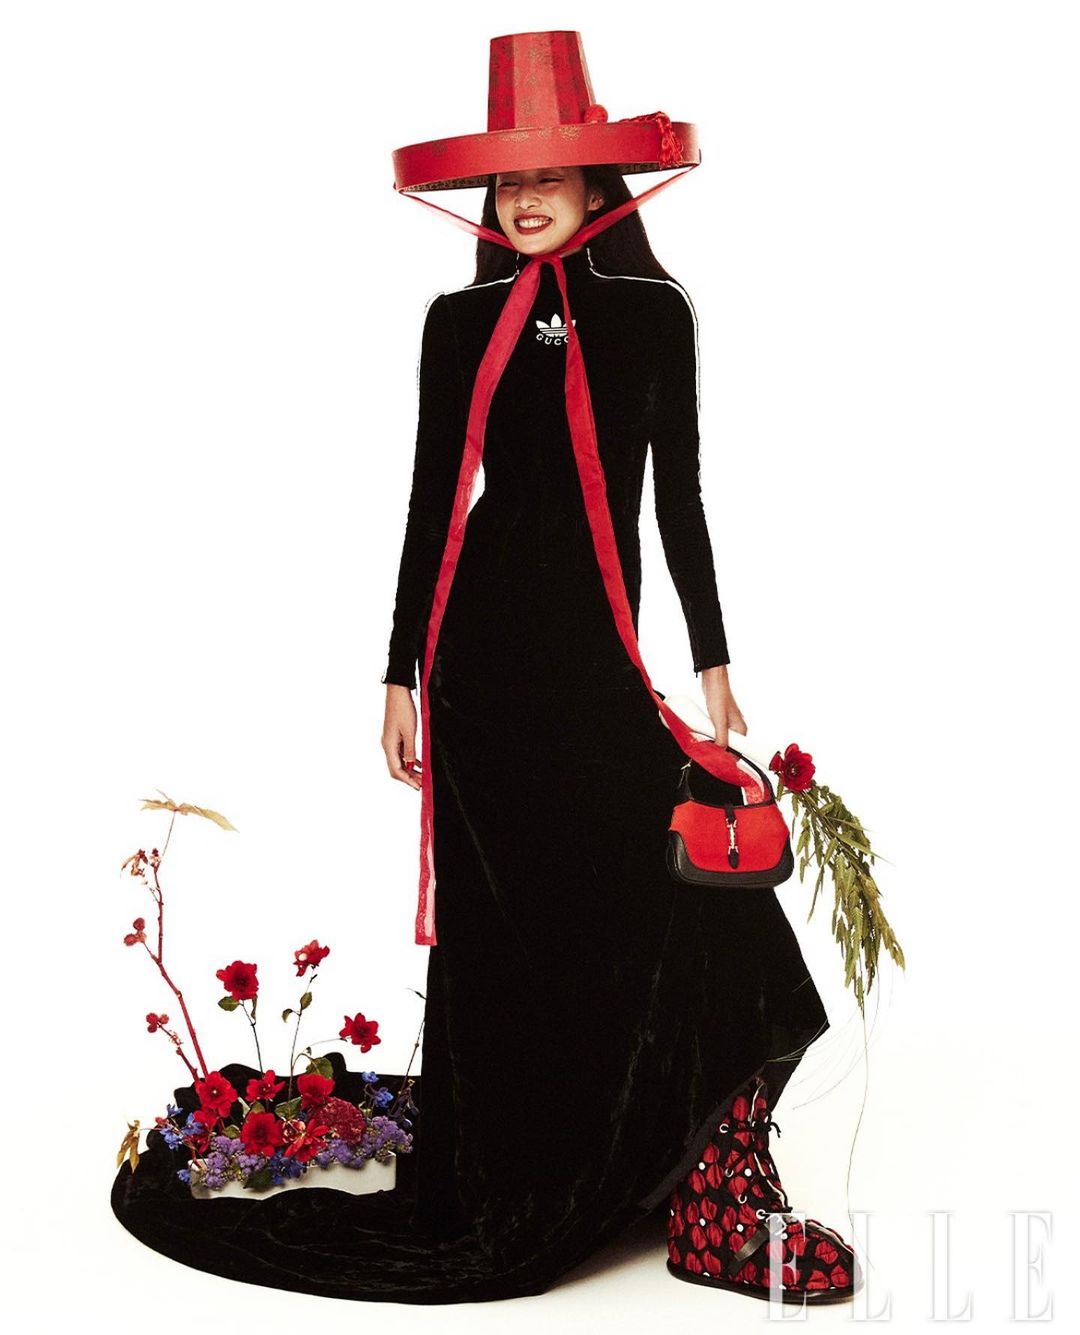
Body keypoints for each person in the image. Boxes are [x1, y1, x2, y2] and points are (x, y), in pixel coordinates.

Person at [110, 30, 861, 1306]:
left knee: (695, 889)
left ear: (597, 184)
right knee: (521, 921)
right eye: (508, 179)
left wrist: (712, 657)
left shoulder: (655, 314)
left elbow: (677, 496)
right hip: (484, 669)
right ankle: (552, 1153)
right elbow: (431, 499)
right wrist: (400, 671)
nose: (524, 198)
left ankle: (704, 1176)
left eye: (548, 174)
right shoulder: (457, 323)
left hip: (598, 658)